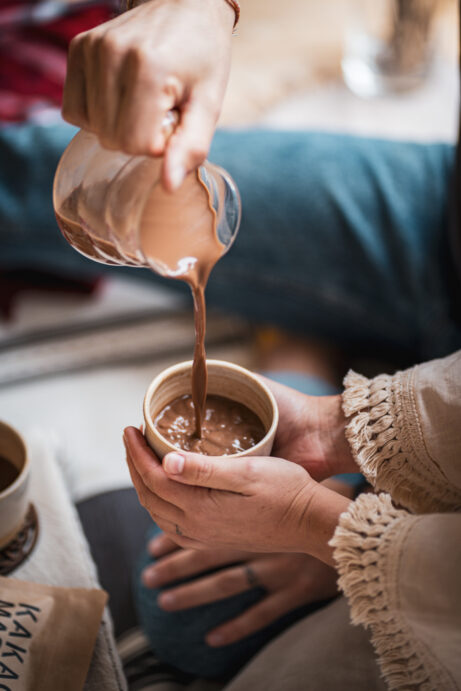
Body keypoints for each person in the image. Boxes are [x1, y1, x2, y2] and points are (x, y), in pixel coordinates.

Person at [2, 1, 461, 688]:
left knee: (177, 613)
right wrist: (199, 7)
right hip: (436, 221)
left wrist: (327, 526)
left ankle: (319, 340)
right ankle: (324, 341)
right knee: (36, 175)